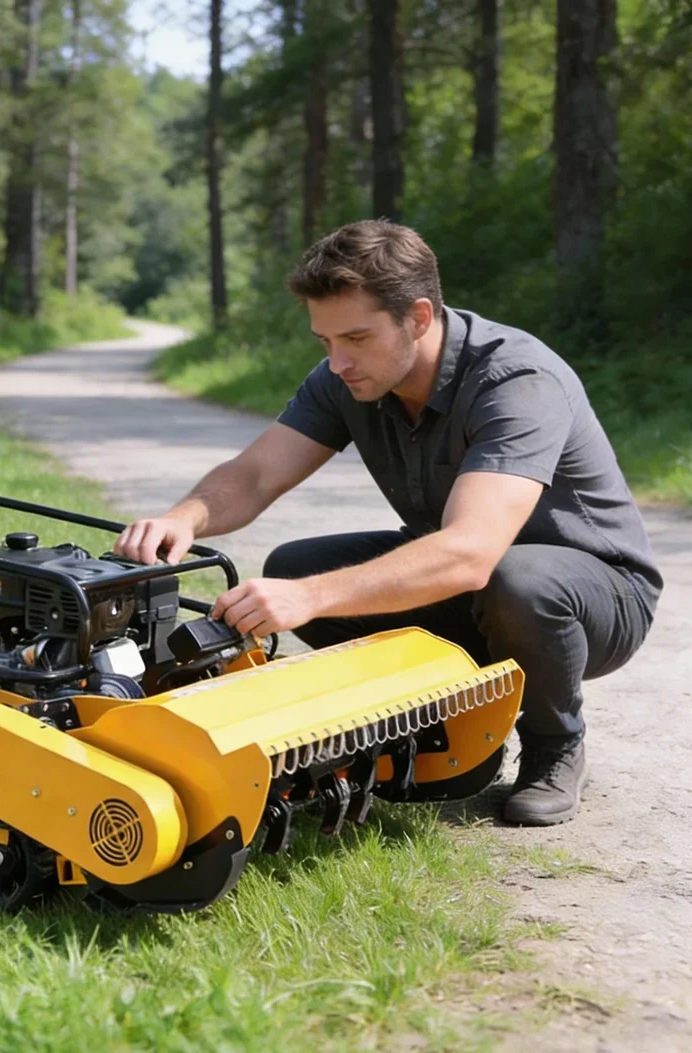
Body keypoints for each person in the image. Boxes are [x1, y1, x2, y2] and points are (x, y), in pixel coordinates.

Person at [115, 220, 662, 826]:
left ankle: (554, 746)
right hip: (475, 584)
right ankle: (435, 729)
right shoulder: (347, 378)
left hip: (594, 598)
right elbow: (255, 475)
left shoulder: (514, 380)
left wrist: (311, 598)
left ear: (420, 317)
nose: (338, 361)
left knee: (509, 579)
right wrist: (182, 518)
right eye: (324, 341)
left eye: (355, 337)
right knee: (294, 566)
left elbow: (470, 553)